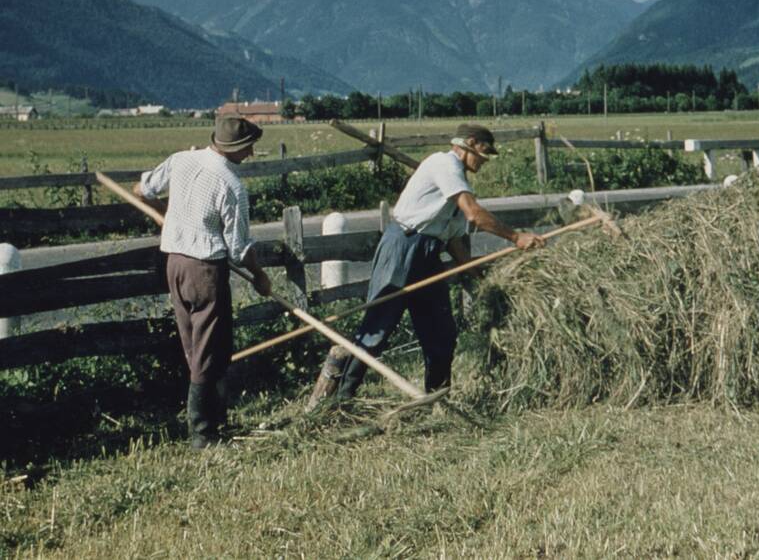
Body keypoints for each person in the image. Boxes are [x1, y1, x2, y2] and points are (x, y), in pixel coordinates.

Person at [315, 123, 543, 402]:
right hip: (403, 248)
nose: (484, 160)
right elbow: (474, 215)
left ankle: (437, 400)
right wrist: (516, 236)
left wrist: (475, 274)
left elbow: (454, 241)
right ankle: (341, 399)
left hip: (428, 255)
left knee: (441, 332)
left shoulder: (459, 184)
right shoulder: (444, 165)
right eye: (483, 153)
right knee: (377, 327)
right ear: (470, 144)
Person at [135, 115, 273, 448]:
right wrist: (260, 276)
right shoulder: (232, 186)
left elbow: (141, 190)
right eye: (250, 147)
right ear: (236, 148)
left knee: (194, 346)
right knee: (209, 350)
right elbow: (239, 250)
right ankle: (202, 433)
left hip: (175, 265)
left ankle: (213, 418)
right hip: (205, 273)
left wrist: (173, 217)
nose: (252, 154)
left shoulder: (182, 159)